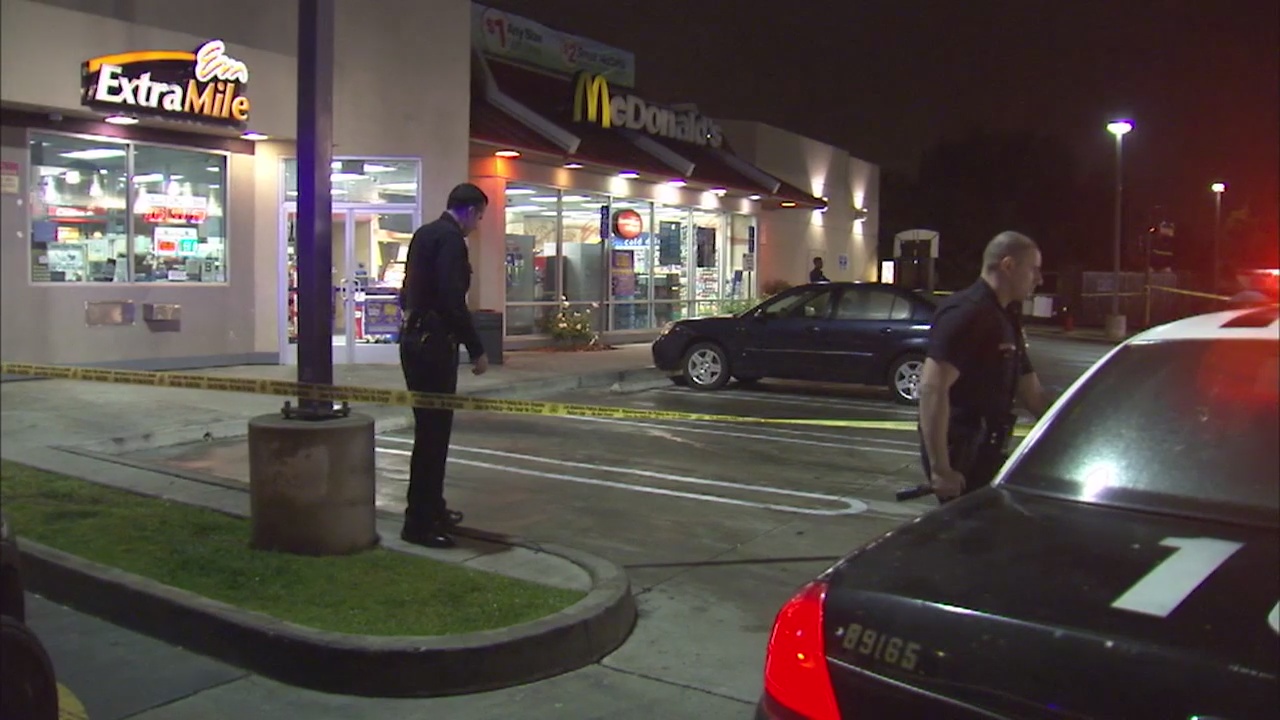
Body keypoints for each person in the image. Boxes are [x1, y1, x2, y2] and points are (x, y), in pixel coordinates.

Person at [917, 231, 1052, 503]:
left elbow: (1032, 394)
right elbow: (932, 388)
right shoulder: (968, 313)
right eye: (1033, 269)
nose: (1039, 279)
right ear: (1008, 265)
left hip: (988, 452)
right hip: (964, 457)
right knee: (966, 539)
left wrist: (1073, 429)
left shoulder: (1005, 316)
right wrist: (941, 470)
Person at [398, 183, 491, 548]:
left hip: (415, 341)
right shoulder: (451, 240)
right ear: (468, 211)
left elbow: (409, 290)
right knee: (434, 436)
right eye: (480, 216)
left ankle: (432, 507)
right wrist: (476, 348)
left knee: (429, 432)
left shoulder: (425, 233)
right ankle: (419, 522)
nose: (478, 224)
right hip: (434, 346)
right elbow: (453, 301)